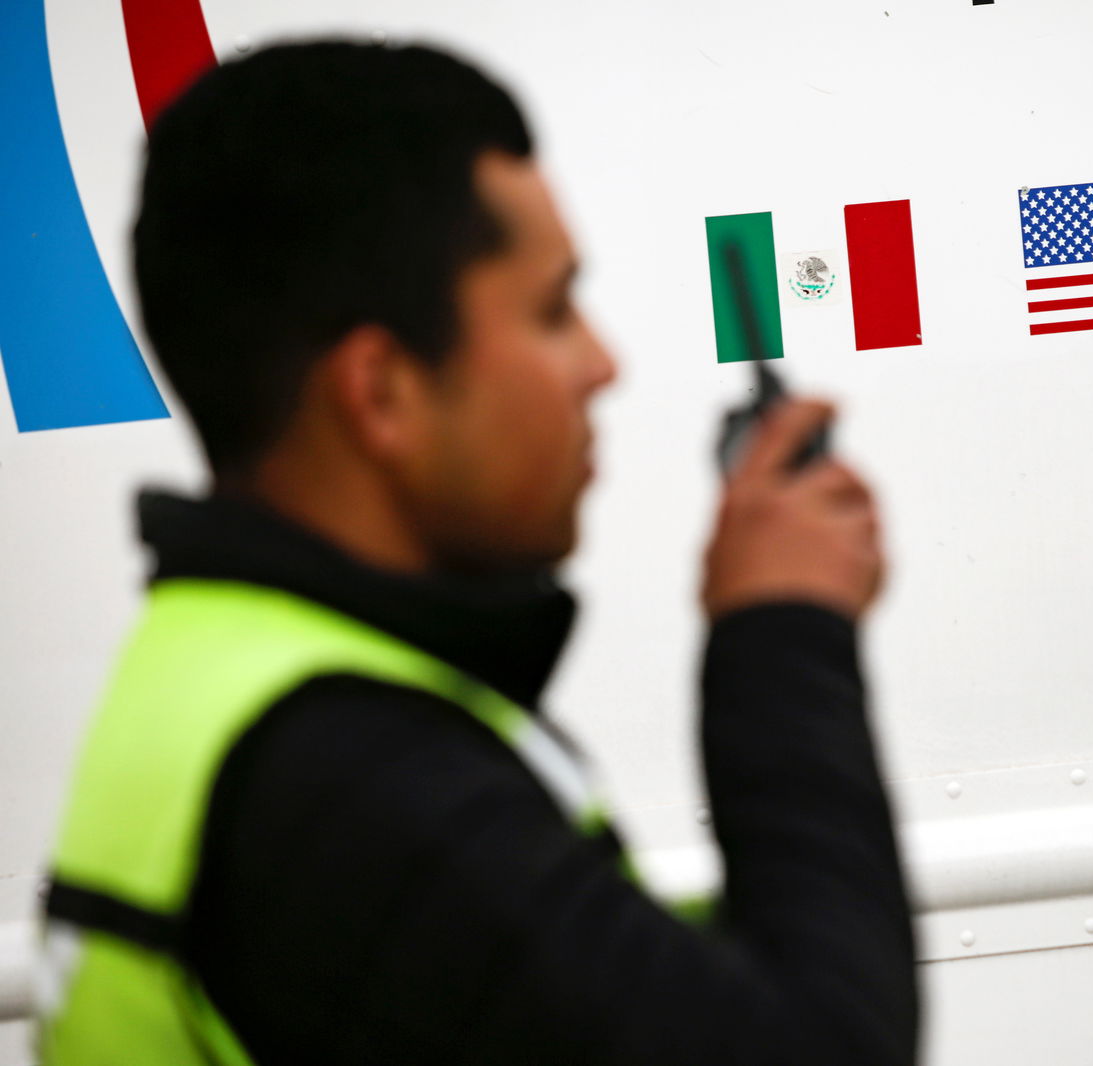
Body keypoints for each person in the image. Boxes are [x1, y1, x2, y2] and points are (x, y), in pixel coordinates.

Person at [37, 40, 917, 1065]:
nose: (602, 363)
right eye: (552, 310)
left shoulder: (221, 676)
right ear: (381, 393)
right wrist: (784, 636)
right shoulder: (351, 781)